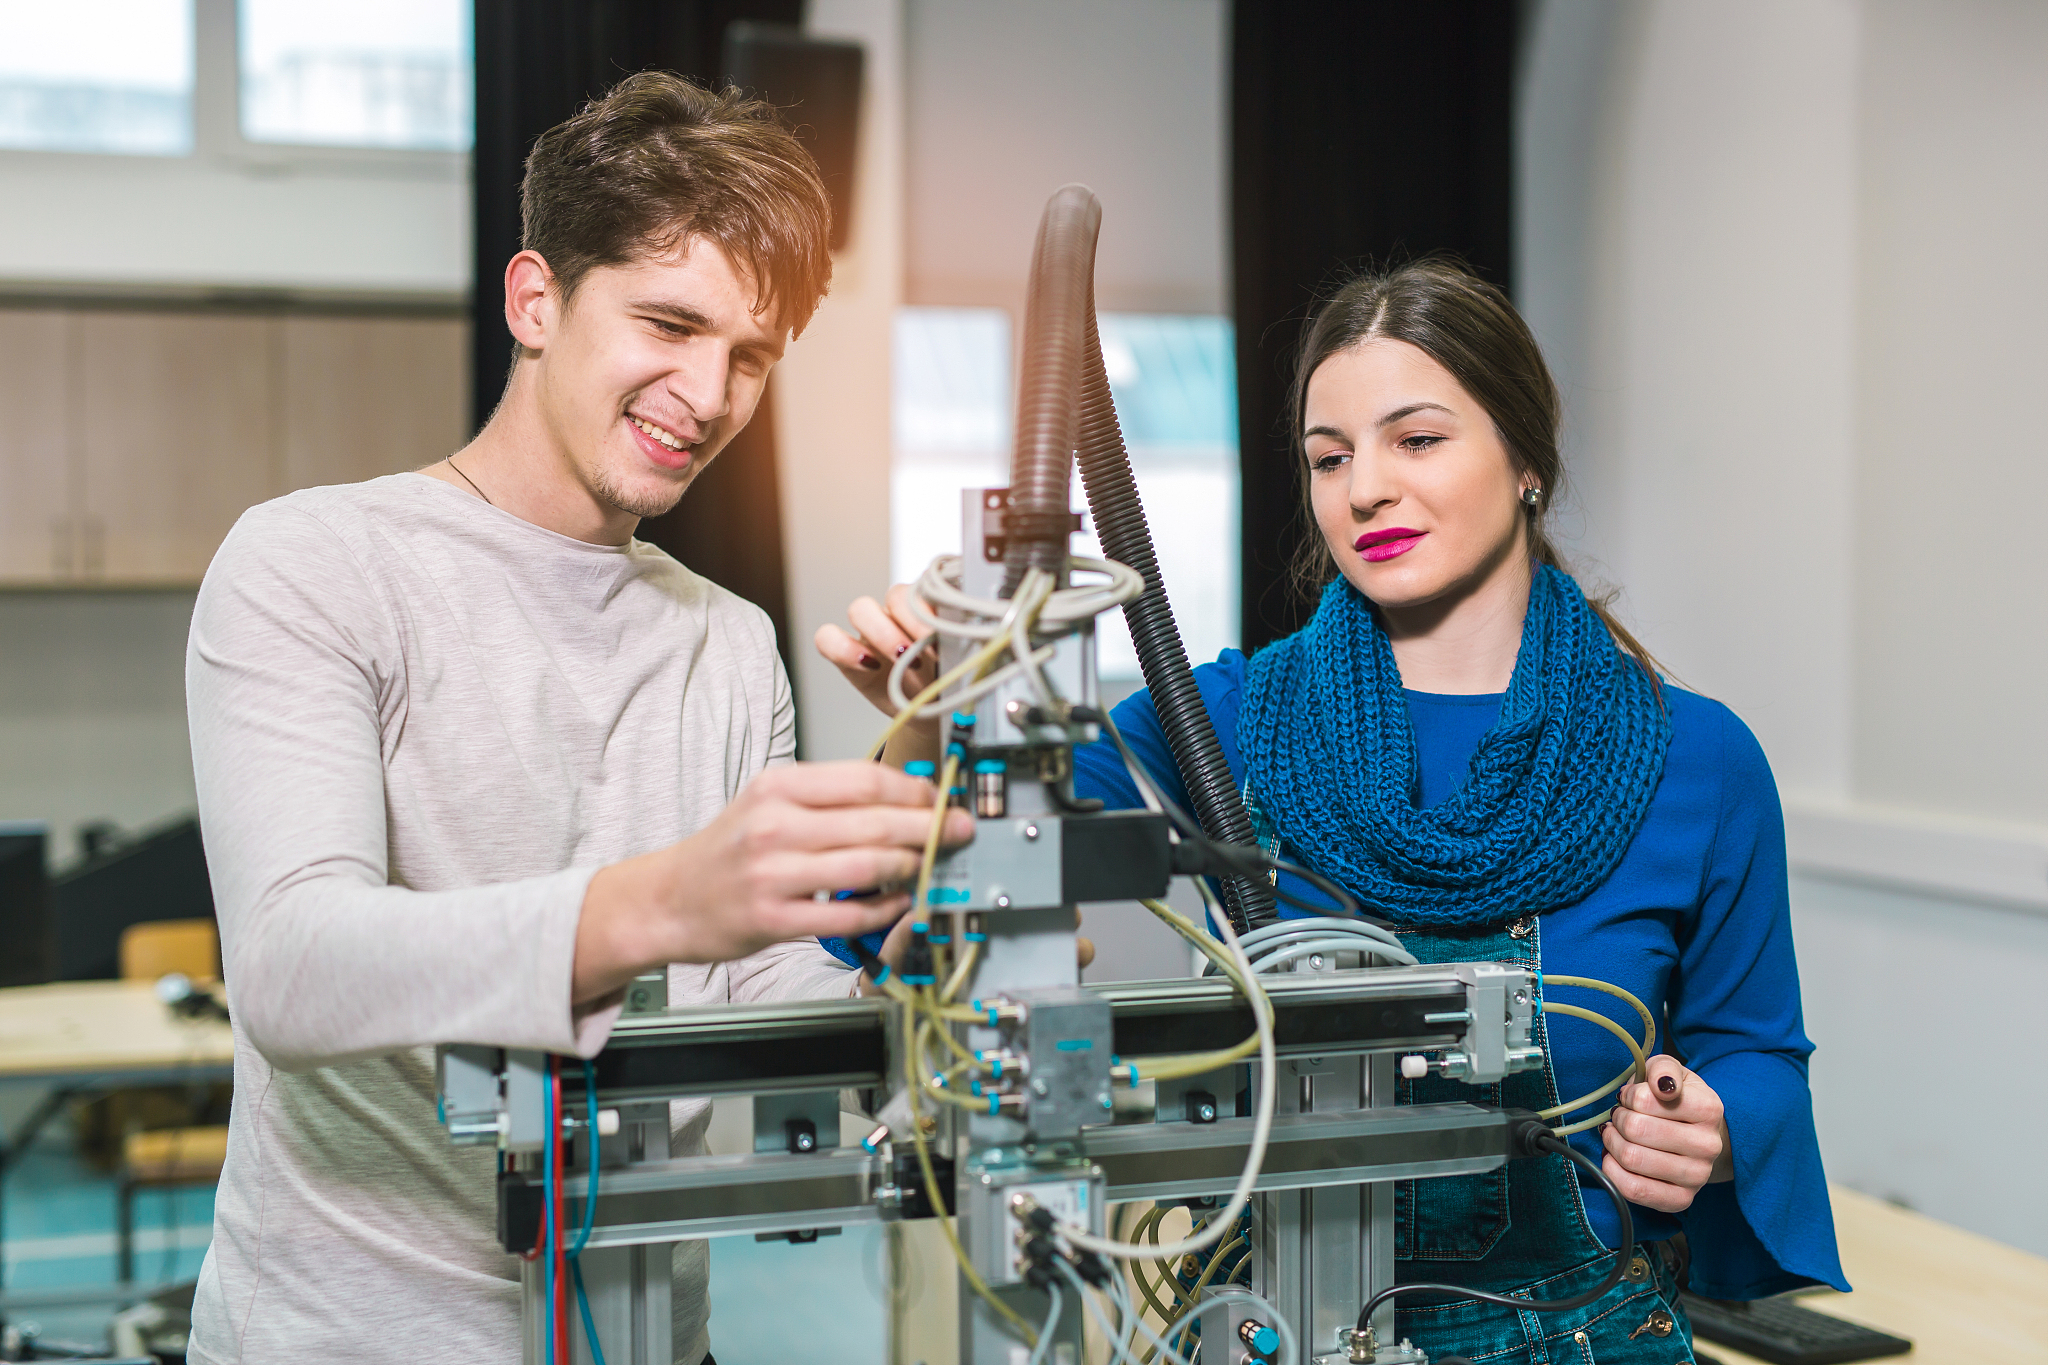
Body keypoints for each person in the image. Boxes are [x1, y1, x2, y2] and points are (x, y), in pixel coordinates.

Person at [821, 259, 1847, 1363]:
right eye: (1328, 456)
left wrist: (1716, 1130)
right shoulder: (1225, 719)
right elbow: (942, 859)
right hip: (1274, 1325)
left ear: (1525, 462)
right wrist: (932, 711)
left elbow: (1756, 1059)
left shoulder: (1693, 759)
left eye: (1416, 440)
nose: (1363, 489)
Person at [184, 74, 968, 1365]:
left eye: (751, 358)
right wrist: (660, 900)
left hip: (658, 1338)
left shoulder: (726, 638)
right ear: (535, 298)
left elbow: (752, 997)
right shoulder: (312, 562)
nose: (709, 394)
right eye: (670, 321)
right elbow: (293, 965)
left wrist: (912, 824)